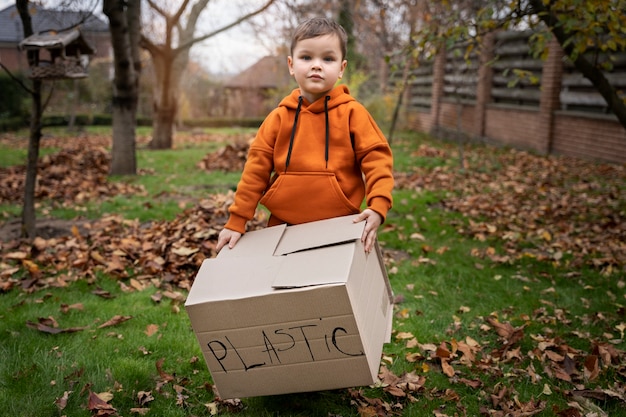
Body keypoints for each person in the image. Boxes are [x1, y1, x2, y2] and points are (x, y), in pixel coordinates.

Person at [216, 17, 393, 253]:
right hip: (282, 227)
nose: (316, 65)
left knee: (329, 289)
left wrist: (378, 205)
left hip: (339, 226)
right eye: (306, 57)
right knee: (284, 287)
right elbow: (255, 173)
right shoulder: (278, 119)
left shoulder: (353, 113)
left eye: (327, 58)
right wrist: (236, 221)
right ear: (291, 65)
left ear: (341, 68)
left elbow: (377, 160)